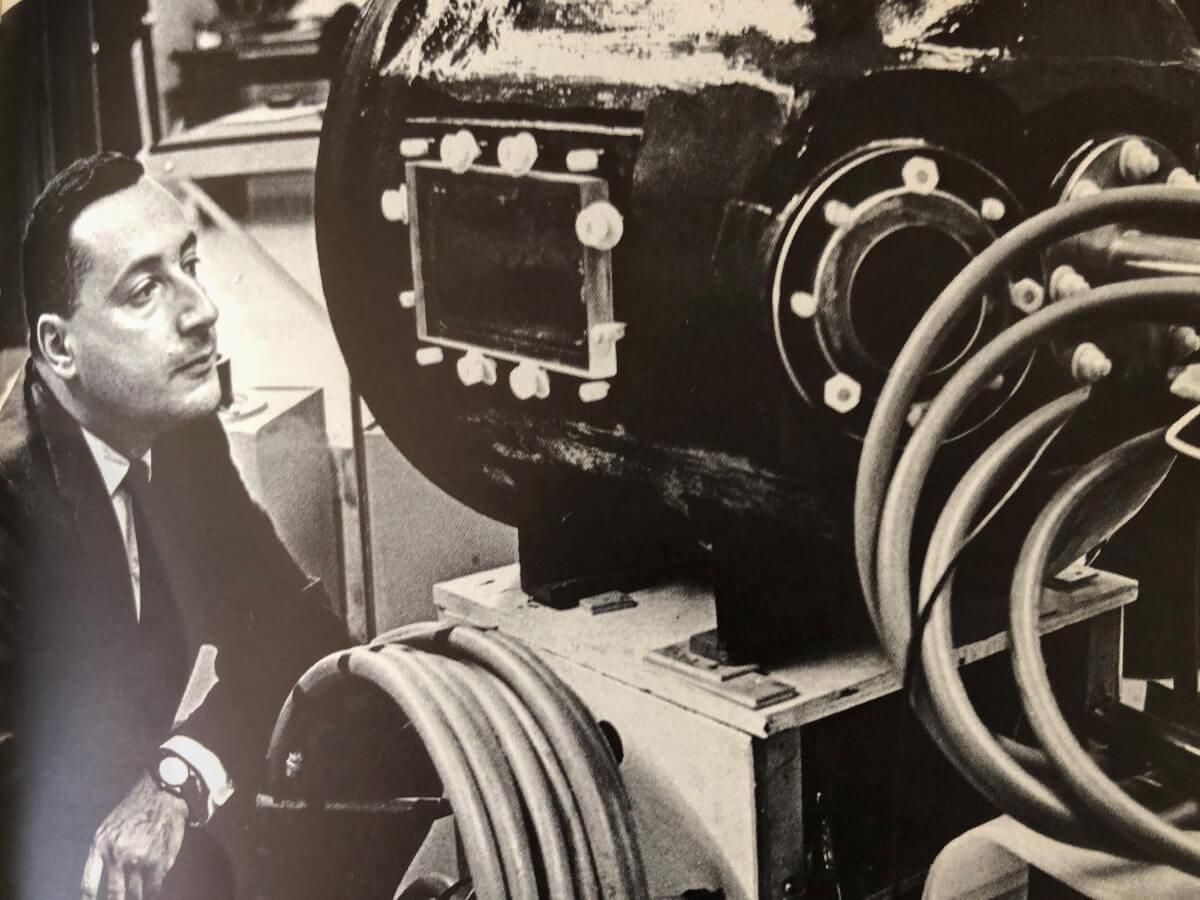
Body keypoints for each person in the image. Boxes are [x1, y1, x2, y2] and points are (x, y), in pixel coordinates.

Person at [0, 152, 347, 899]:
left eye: (190, 264)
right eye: (146, 289)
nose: (201, 311)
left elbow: (300, 631)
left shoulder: (175, 427)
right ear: (60, 348)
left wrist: (180, 772)